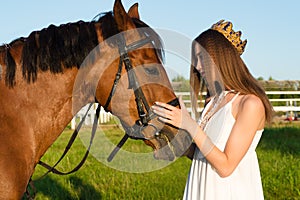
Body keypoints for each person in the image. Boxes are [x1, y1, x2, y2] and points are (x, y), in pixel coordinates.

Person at [152, 20, 273, 200]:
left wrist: (190, 124)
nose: (198, 67)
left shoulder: (250, 104)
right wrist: (175, 144)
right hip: (202, 190)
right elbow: (203, 154)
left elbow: (225, 166)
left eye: (202, 58)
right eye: (196, 59)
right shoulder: (213, 103)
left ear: (222, 57)